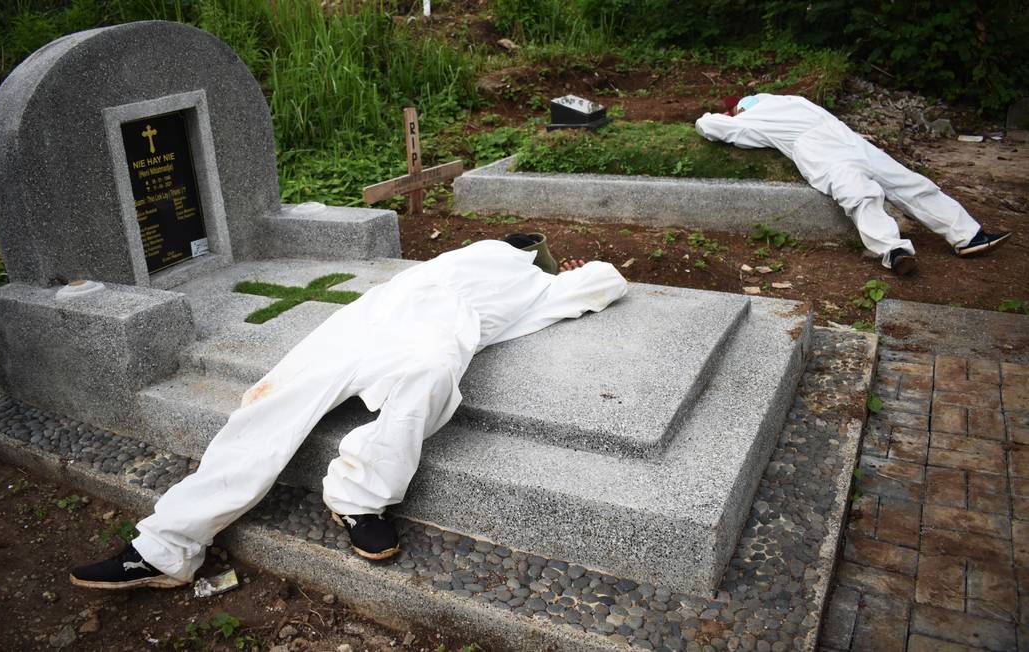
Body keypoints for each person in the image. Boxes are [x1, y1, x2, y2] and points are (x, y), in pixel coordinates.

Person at [69, 235, 628, 590]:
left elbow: (608, 282)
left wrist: (580, 270)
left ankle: (359, 497)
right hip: (372, 313)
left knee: (432, 375)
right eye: (522, 239)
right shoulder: (473, 250)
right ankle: (164, 547)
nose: (524, 240)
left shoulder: (541, 285)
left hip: (440, 325)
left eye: (534, 242)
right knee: (272, 402)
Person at [695, 94, 1012, 275]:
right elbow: (720, 127)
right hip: (831, 148)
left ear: (741, 107)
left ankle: (968, 236)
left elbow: (712, 125)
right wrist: (721, 119)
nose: (730, 113)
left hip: (843, 142)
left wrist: (711, 117)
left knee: (907, 184)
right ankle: (895, 251)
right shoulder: (772, 110)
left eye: (732, 109)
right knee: (867, 194)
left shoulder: (762, 110)